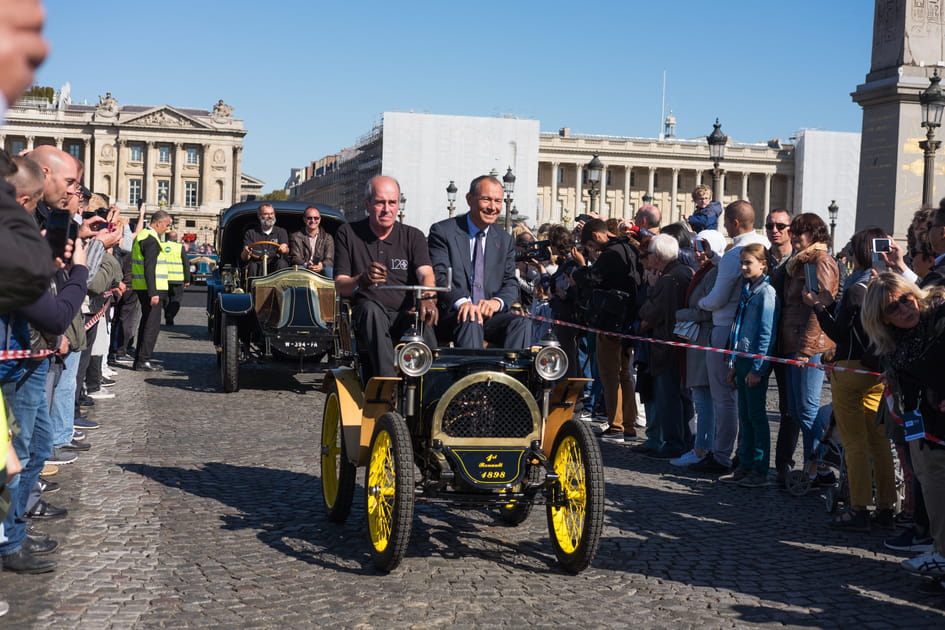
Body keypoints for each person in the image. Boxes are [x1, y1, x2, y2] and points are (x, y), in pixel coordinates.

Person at [806, 227, 896, 530]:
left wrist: (818, 306)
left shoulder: (857, 287)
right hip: (876, 368)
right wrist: (831, 305)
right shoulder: (886, 284)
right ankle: (886, 506)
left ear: (858, 252)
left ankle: (858, 507)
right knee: (879, 441)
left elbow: (838, 332)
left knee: (855, 443)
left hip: (850, 367)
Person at [861, 273, 945, 579]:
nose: (904, 309)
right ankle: (940, 551)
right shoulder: (894, 346)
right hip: (919, 422)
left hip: (938, 422)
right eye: (892, 309)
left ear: (913, 292)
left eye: (904, 299)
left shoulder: (939, 315)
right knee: (929, 481)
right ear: (882, 319)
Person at [692, 200, 768, 474]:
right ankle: (742, 454)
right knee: (744, 401)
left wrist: (700, 303)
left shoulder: (736, 254)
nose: (723, 226)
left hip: (725, 328)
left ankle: (722, 454)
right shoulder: (762, 246)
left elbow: (718, 298)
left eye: (726, 222)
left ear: (735, 223)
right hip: (750, 329)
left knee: (724, 397)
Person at [334, 175, 437, 378]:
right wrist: (362, 279)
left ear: (399, 204)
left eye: (392, 203)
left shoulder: (413, 236)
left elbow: (426, 273)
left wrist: (428, 297)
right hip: (368, 313)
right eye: (380, 202)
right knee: (371, 310)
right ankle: (385, 383)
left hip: (405, 313)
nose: (387, 209)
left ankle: (432, 391)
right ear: (367, 204)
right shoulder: (348, 233)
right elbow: (340, 285)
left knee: (424, 323)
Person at [428, 175, 529, 349]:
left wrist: (496, 302)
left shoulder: (504, 239)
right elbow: (440, 276)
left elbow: (510, 283)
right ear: (469, 199)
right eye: (486, 199)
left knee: (522, 323)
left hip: (489, 316)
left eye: (498, 201)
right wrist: (463, 302)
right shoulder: (443, 232)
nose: (493, 207)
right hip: (453, 315)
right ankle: (474, 375)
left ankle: (510, 375)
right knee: (470, 317)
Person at [780, 212, 839, 484]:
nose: (793, 236)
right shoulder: (800, 263)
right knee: (796, 408)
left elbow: (819, 310)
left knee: (806, 408)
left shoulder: (820, 261)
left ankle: (827, 459)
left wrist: (805, 349)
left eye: (799, 232)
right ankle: (814, 467)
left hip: (809, 346)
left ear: (814, 234)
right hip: (794, 342)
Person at [578, 218, 644, 443]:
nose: (590, 250)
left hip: (611, 320)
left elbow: (591, 278)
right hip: (628, 319)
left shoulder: (611, 253)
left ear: (596, 236)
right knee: (624, 374)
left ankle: (616, 425)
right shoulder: (629, 248)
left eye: (589, 245)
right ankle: (628, 425)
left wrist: (580, 266)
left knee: (609, 374)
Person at [720, 243, 778, 487]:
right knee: (744, 416)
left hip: (754, 362)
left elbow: (767, 333)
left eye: (748, 263)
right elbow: (739, 327)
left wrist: (758, 368)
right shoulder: (747, 289)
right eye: (742, 262)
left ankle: (760, 467)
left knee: (756, 416)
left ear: (763, 264)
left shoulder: (766, 293)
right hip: (742, 358)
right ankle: (744, 464)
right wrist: (734, 363)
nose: (743, 267)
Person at [671, 229, 726, 467]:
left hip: (704, 341)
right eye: (695, 247)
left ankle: (703, 449)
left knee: (704, 400)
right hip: (697, 341)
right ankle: (701, 447)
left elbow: (707, 311)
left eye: (702, 247)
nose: (697, 252)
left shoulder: (714, 273)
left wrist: (679, 314)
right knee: (701, 399)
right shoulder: (704, 271)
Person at [635, 234, 693, 458]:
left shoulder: (668, 279)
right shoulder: (682, 271)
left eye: (650, 254)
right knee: (680, 397)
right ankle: (684, 441)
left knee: (669, 397)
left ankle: (674, 443)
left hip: (667, 346)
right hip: (677, 344)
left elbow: (653, 312)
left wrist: (650, 289)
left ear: (658, 257)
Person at [765, 208, 800, 487]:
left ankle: (784, 464)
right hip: (763, 341)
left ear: (791, 229)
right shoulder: (760, 258)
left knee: (790, 408)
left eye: (780, 225)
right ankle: (751, 459)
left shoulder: (799, 262)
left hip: (788, 342)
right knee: (751, 404)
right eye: (770, 225)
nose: (774, 230)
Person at [131, 210, 171, 371]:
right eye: (166, 225)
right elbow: (150, 267)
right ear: (158, 223)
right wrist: (153, 292)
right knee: (151, 326)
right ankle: (143, 360)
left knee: (146, 323)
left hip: (143, 287)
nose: (167, 229)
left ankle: (140, 359)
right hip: (151, 289)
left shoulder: (143, 236)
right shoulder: (151, 239)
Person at [241, 203, 289, 276]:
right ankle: (252, 286)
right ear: (259, 216)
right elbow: (244, 257)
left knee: (282, 263)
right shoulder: (250, 233)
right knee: (251, 266)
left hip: (274, 267)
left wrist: (284, 249)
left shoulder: (281, 232)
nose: (270, 216)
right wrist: (246, 252)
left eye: (271, 214)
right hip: (257, 267)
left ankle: (281, 287)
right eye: (266, 214)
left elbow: (286, 249)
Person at [289, 206, 334, 277]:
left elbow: (330, 258)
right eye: (309, 218)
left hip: (322, 269)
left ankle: (333, 288)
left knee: (329, 270)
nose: (313, 221)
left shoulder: (327, 237)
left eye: (316, 218)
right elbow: (295, 258)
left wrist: (321, 265)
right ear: (304, 219)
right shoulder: (295, 237)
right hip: (304, 267)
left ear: (319, 220)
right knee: (299, 269)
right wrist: (306, 264)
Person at [162, 230, 190, 326]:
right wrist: (187, 279)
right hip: (178, 279)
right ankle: (170, 315)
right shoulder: (179, 247)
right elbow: (186, 264)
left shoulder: (162, 246)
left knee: (166, 299)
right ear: (176, 238)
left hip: (163, 278)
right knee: (176, 300)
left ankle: (167, 314)